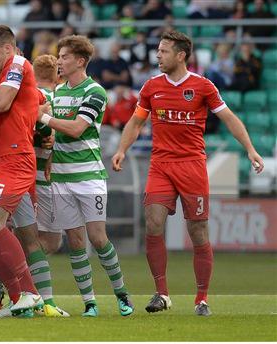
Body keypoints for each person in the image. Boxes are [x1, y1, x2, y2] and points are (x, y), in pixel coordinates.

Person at [111, 30, 265, 316]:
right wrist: (122, 149)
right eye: (158, 50)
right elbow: (135, 123)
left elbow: (229, 118)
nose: (157, 55)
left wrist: (250, 149)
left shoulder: (203, 86)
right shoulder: (151, 87)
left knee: (197, 230)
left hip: (192, 165)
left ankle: (202, 298)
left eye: (164, 51)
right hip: (161, 165)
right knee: (153, 222)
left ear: (180, 55)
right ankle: (162, 294)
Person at [37, 35, 134, 317]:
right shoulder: (56, 94)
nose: (59, 61)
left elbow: (77, 128)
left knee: (98, 237)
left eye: (64, 56)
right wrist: (48, 147)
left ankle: (122, 294)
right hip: (61, 179)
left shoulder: (95, 92)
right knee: (76, 242)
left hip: (89, 176)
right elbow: (54, 134)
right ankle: (89, 303)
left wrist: (41, 117)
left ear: (80, 61)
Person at [0, 25, 42, 317]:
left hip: (16, 158)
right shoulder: (7, 73)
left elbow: (2, 103)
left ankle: (30, 293)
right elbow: (37, 101)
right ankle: (20, 299)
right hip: (1, 158)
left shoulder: (17, 63)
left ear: (7, 47)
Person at [9, 54, 69, 318]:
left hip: (19, 173)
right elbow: (58, 136)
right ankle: (16, 286)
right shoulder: (52, 99)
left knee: (25, 237)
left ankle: (16, 287)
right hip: (42, 177)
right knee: (49, 241)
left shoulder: (25, 94)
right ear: (57, 74)